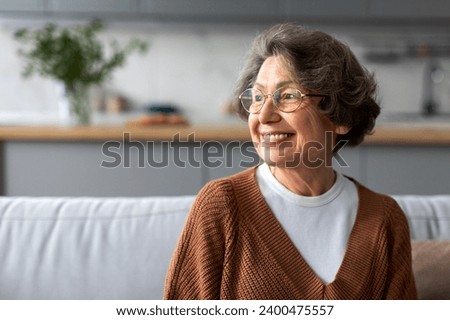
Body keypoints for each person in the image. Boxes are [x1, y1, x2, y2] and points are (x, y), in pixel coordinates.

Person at [164, 23, 417, 300]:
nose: (264, 115)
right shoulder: (221, 207)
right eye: (258, 97)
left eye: (288, 96)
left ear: (340, 116)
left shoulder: (385, 221)